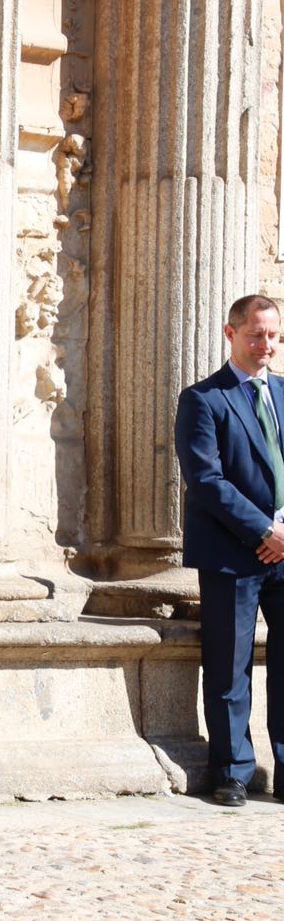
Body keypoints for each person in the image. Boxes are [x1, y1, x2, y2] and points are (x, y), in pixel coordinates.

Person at [174, 294, 284, 807]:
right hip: (232, 552)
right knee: (229, 668)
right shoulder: (203, 399)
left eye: (274, 336)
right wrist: (264, 531)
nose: (266, 346)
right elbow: (206, 480)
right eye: (256, 335)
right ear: (231, 333)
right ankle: (233, 771)